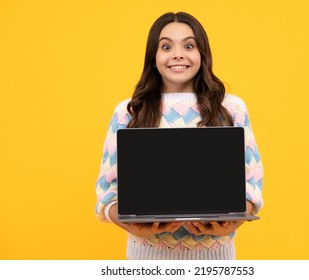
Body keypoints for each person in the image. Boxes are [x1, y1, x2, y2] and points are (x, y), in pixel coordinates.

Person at [95, 12, 263, 260]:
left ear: (202, 54)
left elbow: (252, 184)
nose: (178, 54)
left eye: (189, 45)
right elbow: (106, 192)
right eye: (166, 46)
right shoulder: (129, 111)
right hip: (146, 258)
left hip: (216, 259)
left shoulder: (232, 108)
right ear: (153, 57)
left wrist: (234, 221)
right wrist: (127, 221)